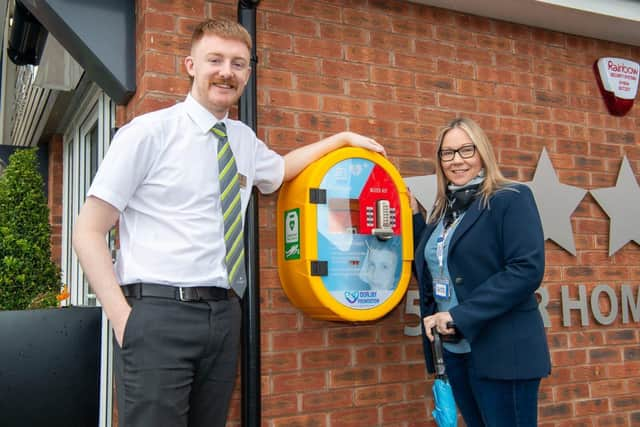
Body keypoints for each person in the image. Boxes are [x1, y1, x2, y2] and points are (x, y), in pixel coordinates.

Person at [72, 18, 384, 427]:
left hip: (223, 315)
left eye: (238, 64)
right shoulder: (147, 133)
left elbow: (280, 170)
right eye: (214, 60)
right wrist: (123, 320)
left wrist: (341, 139)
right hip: (157, 315)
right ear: (190, 65)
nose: (226, 72)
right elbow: (88, 230)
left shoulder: (241, 140)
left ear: (248, 73)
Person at [411, 117, 550, 427]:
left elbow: (525, 270)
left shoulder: (510, 198)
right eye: (447, 153)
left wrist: (459, 315)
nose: (456, 160)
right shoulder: (442, 213)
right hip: (455, 353)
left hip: (504, 352)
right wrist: (413, 220)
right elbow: (435, 273)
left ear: (482, 153)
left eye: (465, 150)